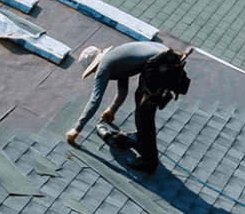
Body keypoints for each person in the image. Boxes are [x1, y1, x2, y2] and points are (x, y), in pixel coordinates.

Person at [66, 42, 191, 175]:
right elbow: (123, 91)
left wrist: (76, 129)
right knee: (142, 104)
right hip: (166, 62)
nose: (95, 73)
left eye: (93, 70)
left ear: (95, 65)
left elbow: (95, 99)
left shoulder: (104, 67)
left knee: (143, 115)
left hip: (158, 67)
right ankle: (141, 139)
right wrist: (112, 110)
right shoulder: (116, 59)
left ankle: (149, 162)